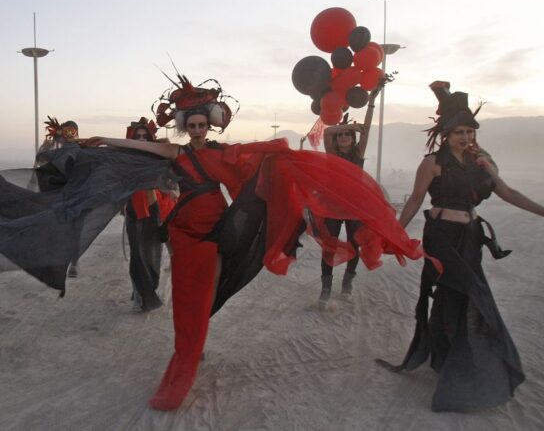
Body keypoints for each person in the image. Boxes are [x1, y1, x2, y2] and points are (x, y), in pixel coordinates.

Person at [84, 74, 423, 410]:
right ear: (185, 126)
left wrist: (280, 158)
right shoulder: (176, 152)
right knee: (188, 294)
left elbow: (256, 162)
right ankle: (189, 344)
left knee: (208, 291)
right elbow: (142, 146)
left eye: (202, 125)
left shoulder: (223, 153)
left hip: (218, 228)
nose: (198, 130)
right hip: (185, 231)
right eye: (193, 125)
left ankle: (194, 341)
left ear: (210, 126)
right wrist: (105, 140)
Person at [380, 81, 544, 411]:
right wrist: (394, 234)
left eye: (470, 131)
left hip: (470, 239)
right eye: (459, 132)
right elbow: (415, 200)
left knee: (455, 298)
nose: (466, 137)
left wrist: (542, 210)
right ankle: (458, 364)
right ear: (446, 134)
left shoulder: (482, 162)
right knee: (470, 294)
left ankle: (447, 357)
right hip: (441, 237)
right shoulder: (432, 163)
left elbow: (508, 193)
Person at [318, 85, 382, 306]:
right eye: (341, 135)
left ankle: (347, 283)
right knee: (329, 246)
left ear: (353, 139)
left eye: (348, 135)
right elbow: (327, 132)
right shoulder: (332, 155)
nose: (344, 136)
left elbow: (367, 129)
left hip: (355, 207)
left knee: (355, 244)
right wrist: (349, 125)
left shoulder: (358, 153)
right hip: (333, 206)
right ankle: (326, 288)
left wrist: (371, 102)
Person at [123, 118, 174, 311]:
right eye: (138, 136)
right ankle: (140, 295)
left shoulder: (156, 158)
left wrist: (171, 189)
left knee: (152, 256)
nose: (142, 139)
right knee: (137, 256)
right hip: (133, 212)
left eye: (145, 136)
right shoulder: (125, 159)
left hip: (153, 211)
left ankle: (148, 291)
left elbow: (169, 183)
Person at [35, 117, 81, 278]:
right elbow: (40, 163)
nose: (70, 135)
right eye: (66, 131)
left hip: (76, 195)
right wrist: (46, 147)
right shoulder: (53, 148)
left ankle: (73, 263)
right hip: (56, 195)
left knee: (75, 230)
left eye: (72, 132)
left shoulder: (81, 148)